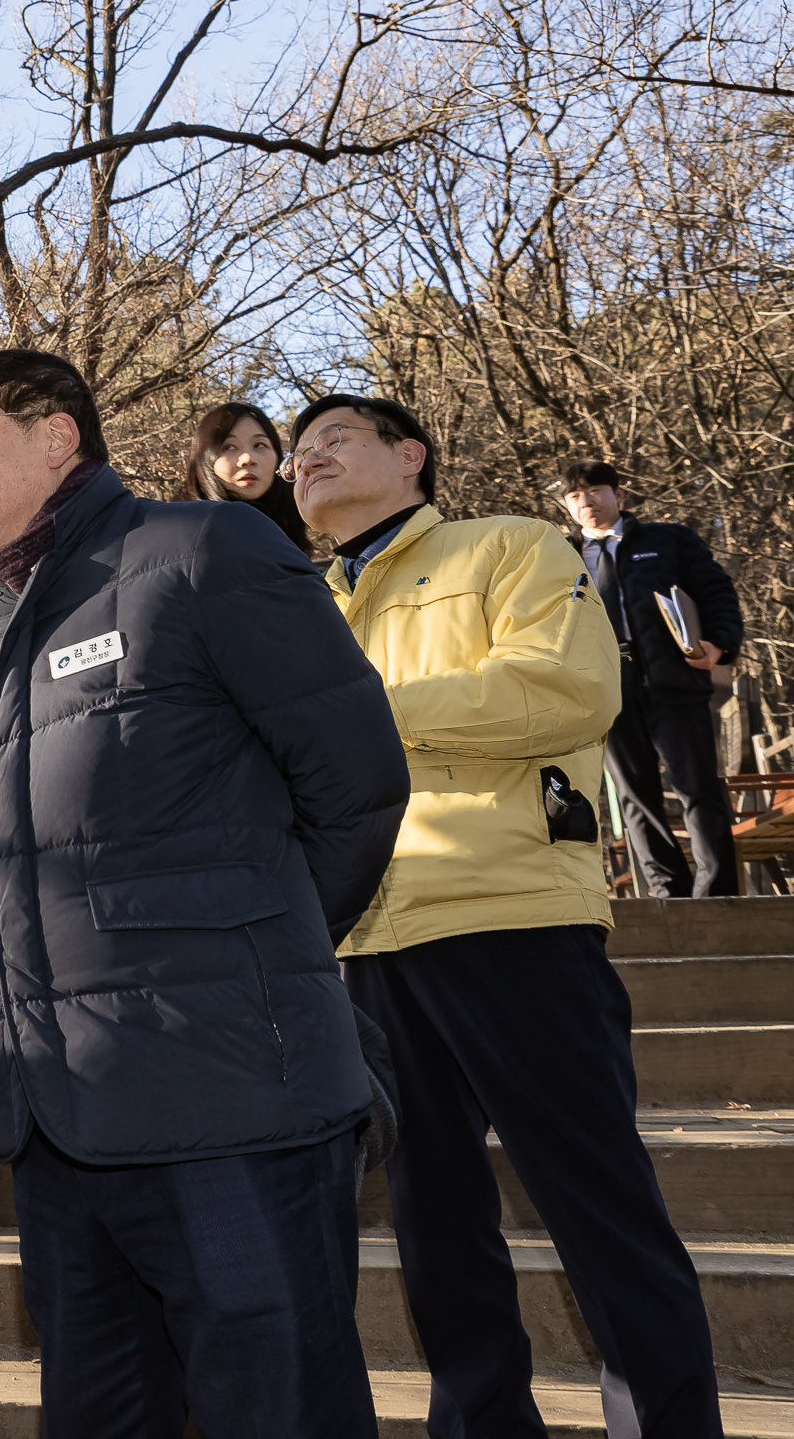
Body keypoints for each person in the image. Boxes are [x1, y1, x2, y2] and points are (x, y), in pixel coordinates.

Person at [0, 350, 408, 1437]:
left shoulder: (204, 550)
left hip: (227, 1099)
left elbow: (356, 784)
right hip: (50, 1120)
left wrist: (238, 953)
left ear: (55, 435)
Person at [289, 396, 723, 1439]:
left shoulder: (509, 547)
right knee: (436, 1227)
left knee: (597, 1204)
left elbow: (569, 688)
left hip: (509, 916)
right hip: (362, 938)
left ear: (411, 456)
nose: (305, 457)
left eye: (331, 437)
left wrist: (356, 719)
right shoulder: (300, 604)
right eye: (295, 450)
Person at [558, 458, 745, 899]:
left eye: (595, 492)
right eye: (575, 496)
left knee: (697, 787)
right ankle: (668, 895)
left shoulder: (668, 540)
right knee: (635, 797)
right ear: (567, 505)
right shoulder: (558, 557)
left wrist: (720, 644)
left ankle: (717, 895)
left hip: (674, 682)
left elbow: (716, 591)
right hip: (604, 691)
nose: (586, 502)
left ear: (618, 495)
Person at [180, 399, 312, 553]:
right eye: (229, 447)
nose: (247, 459)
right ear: (204, 460)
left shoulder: (291, 528)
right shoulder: (180, 533)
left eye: (259, 445)